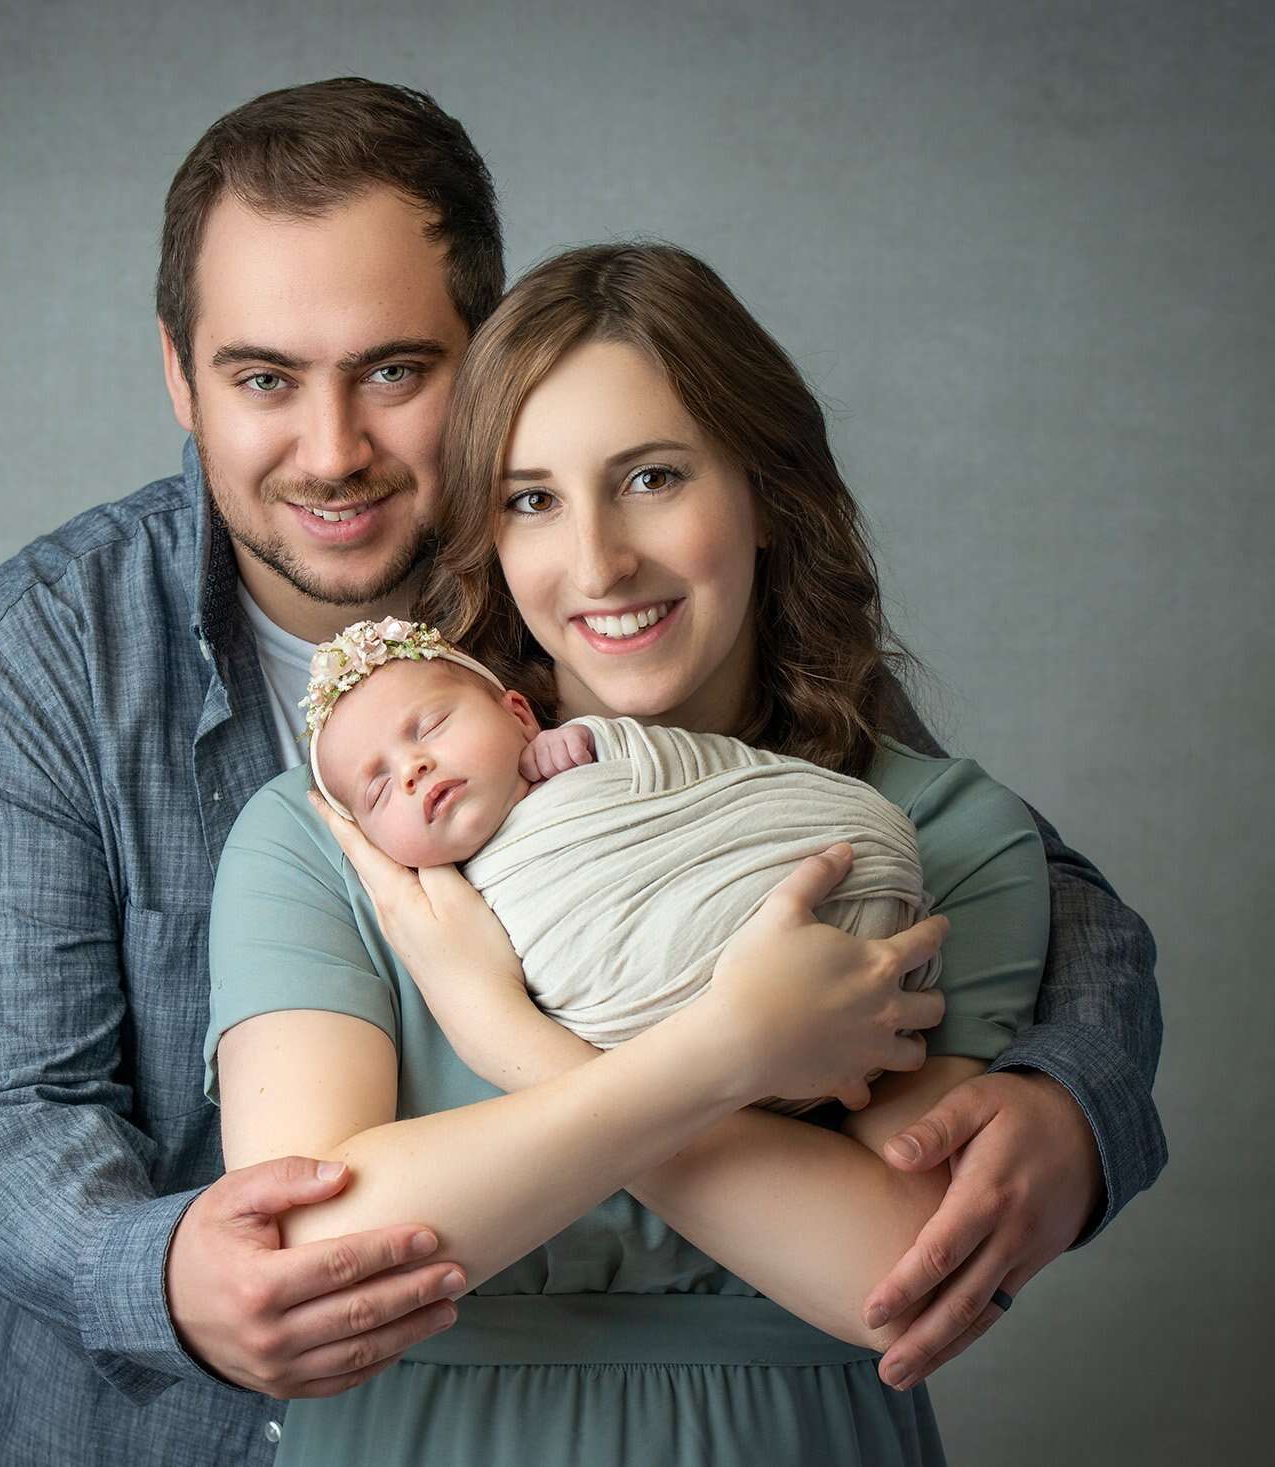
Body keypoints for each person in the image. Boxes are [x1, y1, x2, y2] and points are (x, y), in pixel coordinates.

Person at [0, 78, 1164, 1466]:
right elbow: (3, 1118)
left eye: (394, 371)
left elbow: (976, 852)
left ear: (486, 359)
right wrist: (160, 1276)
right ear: (179, 376)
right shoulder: (48, 660)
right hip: (146, 1424)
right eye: (263, 378)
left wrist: (1076, 1091)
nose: (333, 451)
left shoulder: (637, 646)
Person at [205, 242, 1058, 1463]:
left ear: (767, 491)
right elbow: (309, 1257)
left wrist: (503, 1033)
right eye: (530, 500)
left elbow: (893, 1270)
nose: (598, 562)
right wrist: (721, 1055)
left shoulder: (946, 835)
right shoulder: (332, 836)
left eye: (652, 478)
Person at [299, 615, 944, 1084]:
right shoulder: (446, 913)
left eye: (432, 726)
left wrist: (593, 741)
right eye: (378, 789)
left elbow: (704, 770)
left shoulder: (582, 756)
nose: (412, 769)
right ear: (376, 845)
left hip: (820, 889)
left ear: (518, 714)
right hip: (683, 1030)